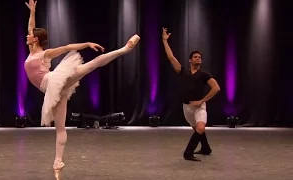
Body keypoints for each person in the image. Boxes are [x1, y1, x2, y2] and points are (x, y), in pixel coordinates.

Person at [24, 0, 140, 178]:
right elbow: (31, 26)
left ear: (36, 39)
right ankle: (58, 162)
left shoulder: (43, 54)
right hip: (55, 90)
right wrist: (33, 11)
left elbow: (67, 48)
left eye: (30, 35)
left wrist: (86, 44)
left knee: (92, 65)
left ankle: (124, 49)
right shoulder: (32, 50)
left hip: (54, 81)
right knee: (60, 128)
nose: (27, 36)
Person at [162, 28, 220, 161]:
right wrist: (165, 41)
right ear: (190, 60)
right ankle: (206, 148)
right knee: (197, 130)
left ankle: (188, 153)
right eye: (195, 57)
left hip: (199, 106)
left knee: (200, 128)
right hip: (186, 107)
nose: (198, 58)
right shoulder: (183, 72)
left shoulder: (205, 74)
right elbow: (171, 57)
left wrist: (202, 101)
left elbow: (216, 88)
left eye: (200, 57)